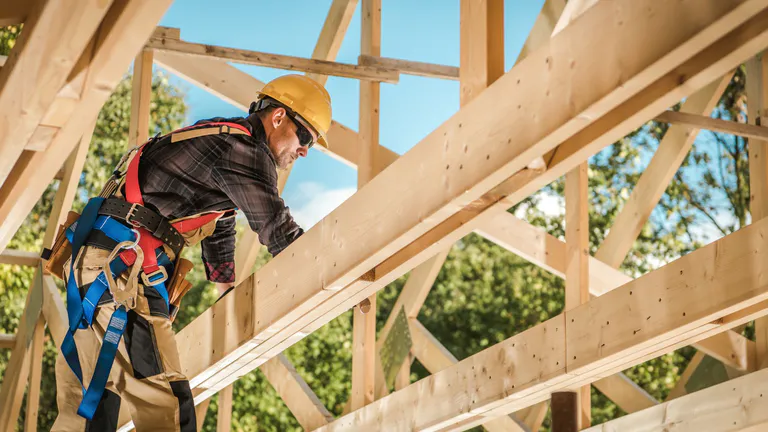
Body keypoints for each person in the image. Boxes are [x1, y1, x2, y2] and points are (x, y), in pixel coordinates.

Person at [49, 74, 332, 431]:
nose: (305, 149)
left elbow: (222, 219)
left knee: (90, 403)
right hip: (121, 272)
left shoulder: (218, 137)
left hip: (99, 265)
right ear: (278, 117)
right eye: (305, 136)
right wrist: (333, 274)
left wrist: (225, 288)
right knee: (165, 400)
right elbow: (277, 228)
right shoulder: (245, 151)